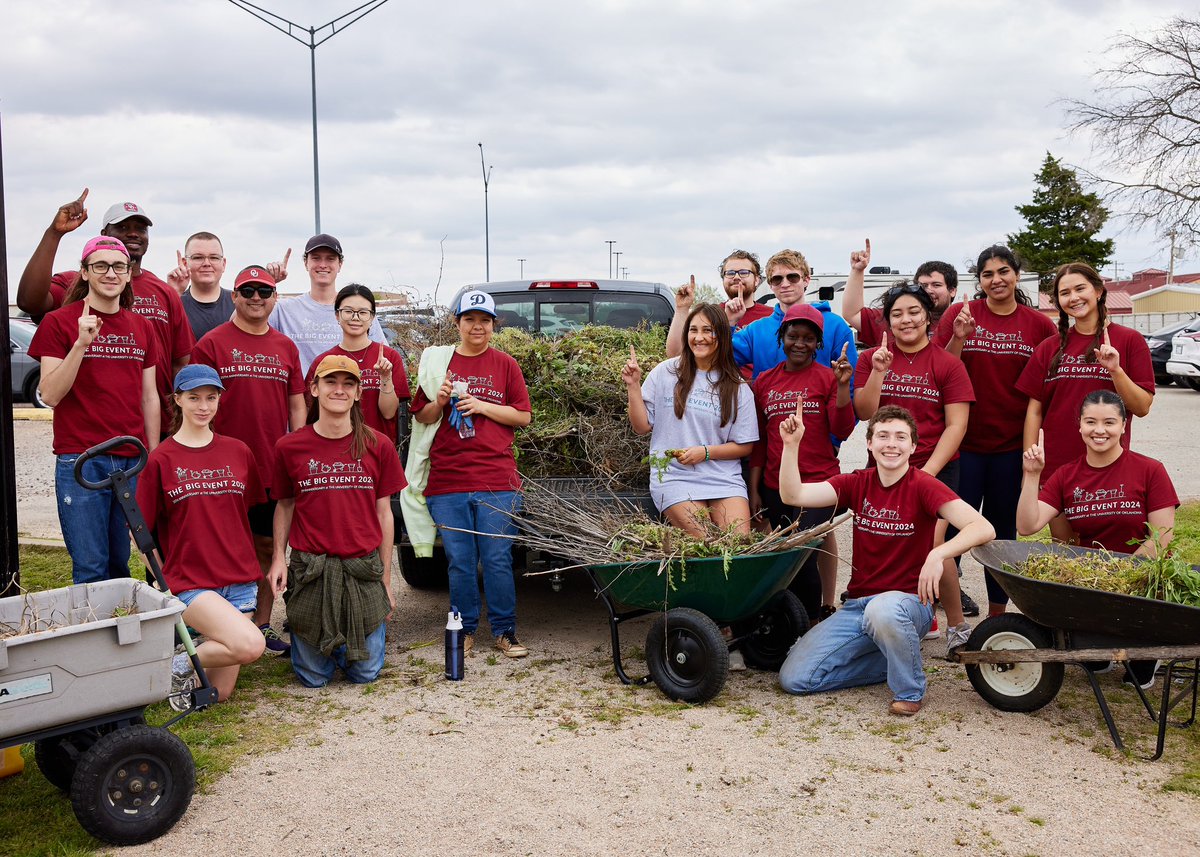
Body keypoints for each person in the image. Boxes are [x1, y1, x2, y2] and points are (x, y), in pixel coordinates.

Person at [777, 405, 995, 715]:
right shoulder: (857, 483)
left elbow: (983, 527)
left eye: (900, 437)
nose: (891, 444)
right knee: (795, 678)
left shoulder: (923, 485)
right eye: (882, 435)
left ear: (913, 446)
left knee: (884, 610)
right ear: (869, 443)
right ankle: (891, 660)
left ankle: (909, 687)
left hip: (907, 605)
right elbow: (793, 495)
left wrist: (939, 553)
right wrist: (791, 445)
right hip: (857, 606)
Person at [1017, 390, 1177, 689]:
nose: (1099, 430)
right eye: (1091, 422)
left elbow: (1162, 538)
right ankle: (1102, 640)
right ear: (1079, 425)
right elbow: (1027, 525)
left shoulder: (1150, 470)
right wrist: (1032, 475)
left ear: (1123, 426)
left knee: (1136, 674)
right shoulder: (1066, 475)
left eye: (1109, 422)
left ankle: (1146, 649)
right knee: (1093, 658)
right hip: (1092, 586)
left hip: (1142, 583)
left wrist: (1118, 578)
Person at [935, 245, 1057, 618]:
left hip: (1009, 448)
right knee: (953, 530)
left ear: (1016, 275)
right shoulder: (961, 313)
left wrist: (1033, 450)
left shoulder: (1038, 325)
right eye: (987, 274)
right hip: (963, 446)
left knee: (1002, 532)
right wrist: (958, 336)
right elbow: (939, 371)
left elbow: (1045, 392)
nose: (996, 280)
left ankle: (997, 616)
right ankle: (944, 607)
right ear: (980, 280)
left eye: (1003, 271)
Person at [28, 236, 159, 584]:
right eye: (100, 266)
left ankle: (119, 636)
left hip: (132, 457)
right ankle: (93, 636)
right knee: (90, 567)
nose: (110, 273)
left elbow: (150, 397)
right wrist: (81, 344)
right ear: (85, 272)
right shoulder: (59, 322)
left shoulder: (142, 326)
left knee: (121, 563)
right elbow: (50, 394)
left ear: (129, 274)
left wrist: (155, 454)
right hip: (81, 458)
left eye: (118, 266)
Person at [190, 265, 307, 654]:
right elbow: (196, 401)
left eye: (264, 291)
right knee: (215, 545)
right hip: (220, 468)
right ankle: (213, 623)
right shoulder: (211, 343)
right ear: (234, 297)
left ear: (275, 299)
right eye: (248, 291)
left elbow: (297, 404)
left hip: (270, 466)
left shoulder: (285, 347)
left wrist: (300, 449)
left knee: (267, 547)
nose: (256, 298)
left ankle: (261, 623)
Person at [410, 291, 533, 658]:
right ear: (457, 323)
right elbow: (423, 416)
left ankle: (504, 631)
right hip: (447, 481)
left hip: (497, 479)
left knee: (496, 557)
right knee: (460, 560)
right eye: (469, 319)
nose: (477, 326)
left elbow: (523, 416)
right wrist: (441, 401)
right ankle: (462, 628)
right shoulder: (438, 364)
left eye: (484, 320)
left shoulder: (505, 364)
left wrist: (482, 405)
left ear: (494, 325)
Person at [270, 355, 405, 687]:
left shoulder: (378, 445)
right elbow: (284, 506)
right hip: (313, 568)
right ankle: (325, 641)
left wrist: (386, 579)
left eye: (348, 384)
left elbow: (384, 514)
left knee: (366, 673)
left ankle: (344, 639)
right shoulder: (290, 447)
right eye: (330, 382)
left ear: (359, 393)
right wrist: (278, 559)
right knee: (313, 677)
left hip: (362, 567)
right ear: (314, 388)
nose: (339, 390)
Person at [136, 365, 267, 703]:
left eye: (211, 397)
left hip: (239, 582)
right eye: (193, 397)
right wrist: (164, 583)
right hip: (192, 582)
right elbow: (138, 533)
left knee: (217, 693)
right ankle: (174, 661)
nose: (203, 406)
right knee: (251, 645)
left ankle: (186, 658)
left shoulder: (239, 451)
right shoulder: (161, 459)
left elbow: (245, 514)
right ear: (177, 400)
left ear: (220, 400)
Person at [854, 284, 975, 645]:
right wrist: (878, 372)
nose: (906, 320)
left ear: (928, 317)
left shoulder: (947, 364)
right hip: (885, 469)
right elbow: (864, 413)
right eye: (897, 314)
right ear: (887, 322)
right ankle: (909, 617)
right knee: (886, 538)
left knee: (934, 544)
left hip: (934, 468)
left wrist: (926, 474)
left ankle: (956, 626)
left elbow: (957, 425)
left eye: (914, 312)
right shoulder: (871, 359)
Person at [17, 190, 194, 437]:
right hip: (89, 433)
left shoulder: (164, 292)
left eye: (140, 228)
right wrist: (54, 234)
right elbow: (29, 301)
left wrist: (181, 422)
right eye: (123, 227)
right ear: (104, 235)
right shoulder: (77, 283)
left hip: (155, 427)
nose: (133, 233)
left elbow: (180, 363)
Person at [749, 304, 854, 620]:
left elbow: (842, 430)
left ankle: (809, 623)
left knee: (803, 552)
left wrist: (843, 386)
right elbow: (760, 443)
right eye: (793, 335)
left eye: (808, 338)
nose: (799, 343)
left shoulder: (826, 378)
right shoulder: (765, 382)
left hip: (820, 483)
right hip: (775, 485)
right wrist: (754, 490)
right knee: (788, 557)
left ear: (818, 343)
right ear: (782, 336)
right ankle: (793, 621)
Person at [625, 302, 758, 537]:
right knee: (707, 540)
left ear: (722, 336)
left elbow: (745, 445)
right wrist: (633, 385)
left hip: (723, 478)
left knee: (739, 542)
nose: (699, 337)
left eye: (708, 330)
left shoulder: (737, 387)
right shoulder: (665, 373)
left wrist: (705, 452)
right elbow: (641, 426)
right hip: (675, 476)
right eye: (693, 330)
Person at [1017, 262, 1155, 485]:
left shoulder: (1130, 341)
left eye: (1080, 289)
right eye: (1065, 293)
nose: (1073, 298)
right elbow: (1034, 412)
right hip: (1055, 469)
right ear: (1059, 302)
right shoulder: (1048, 348)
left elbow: (1142, 408)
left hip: (1108, 465)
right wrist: (1030, 466)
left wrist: (1116, 371)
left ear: (1098, 292)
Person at [666, 249, 858, 382]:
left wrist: (833, 437)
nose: (785, 284)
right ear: (771, 285)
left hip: (818, 436)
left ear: (806, 280)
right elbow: (715, 360)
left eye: (792, 277)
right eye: (777, 279)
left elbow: (850, 383)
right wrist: (730, 323)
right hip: (766, 434)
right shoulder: (757, 330)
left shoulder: (834, 326)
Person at [268, 234, 388, 374]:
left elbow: (383, 355)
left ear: (340, 264)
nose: (323, 265)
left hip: (348, 393)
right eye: (316, 258)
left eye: (330, 259)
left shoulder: (359, 310)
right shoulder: (284, 309)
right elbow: (239, 326)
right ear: (306, 263)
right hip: (300, 395)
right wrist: (268, 282)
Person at [306, 284, 409, 444]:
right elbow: (311, 413)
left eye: (363, 312)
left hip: (377, 450)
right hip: (332, 450)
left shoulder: (389, 357)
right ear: (337, 315)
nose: (355, 318)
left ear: (372, 317)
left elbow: (389, 413)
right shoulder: (323, 361)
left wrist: (385, 377)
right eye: (348, 311)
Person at [841, 238, 958, 347]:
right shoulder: (891, 318)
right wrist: (857, 270)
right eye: (923, 286)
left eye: (936, 285)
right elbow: (852, 314)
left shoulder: (962, 323)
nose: (928, 290)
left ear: (952, 291)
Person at [719, 249, 772, 326]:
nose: (736, 277)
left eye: (744, 272)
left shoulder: (771, 316)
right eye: (730, 273)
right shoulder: (709, 315)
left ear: (756, 280)